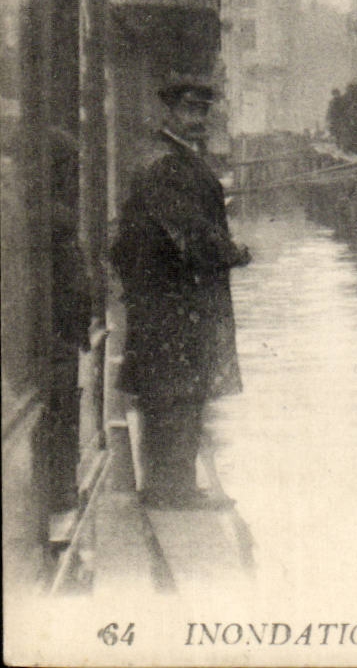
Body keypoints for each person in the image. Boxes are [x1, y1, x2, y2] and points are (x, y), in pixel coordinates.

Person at [110, 73, 250, 510]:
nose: (199, 119)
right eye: (190, 110)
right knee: (176, 389)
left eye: (203, 111)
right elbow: (188, 232)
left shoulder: (171, 156)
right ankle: (173, 491)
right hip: (174, 298)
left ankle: (173, 486)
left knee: (175, 388)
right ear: (169, 112)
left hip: (167, 296)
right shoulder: (169, 163)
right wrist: (232, 252)